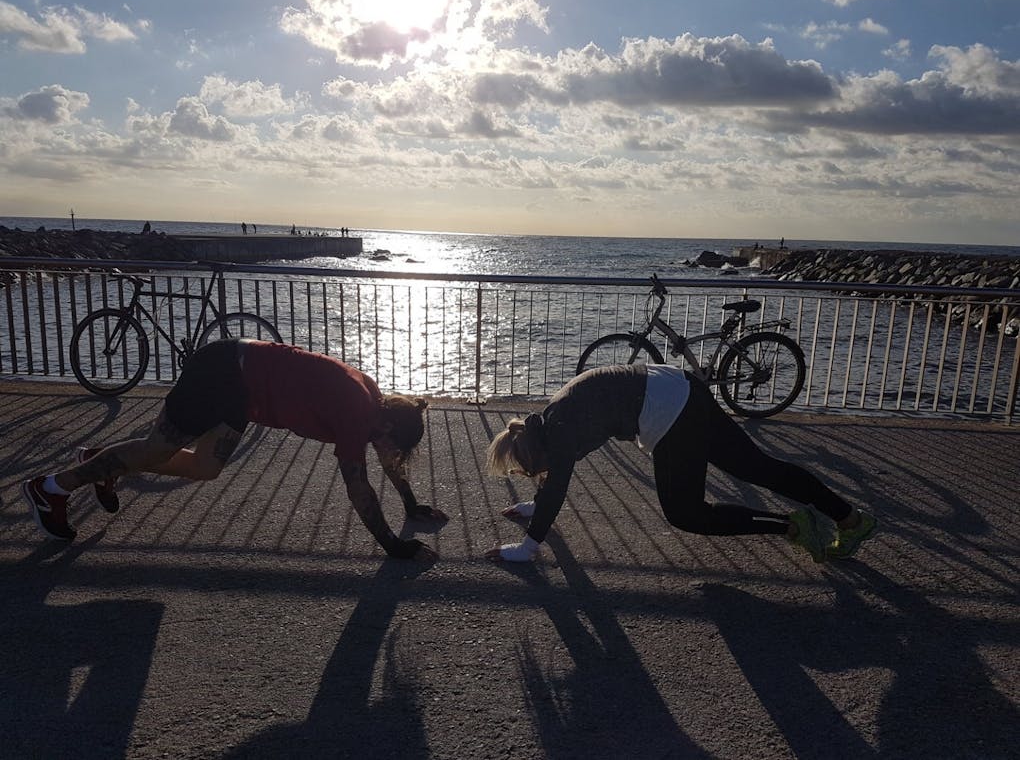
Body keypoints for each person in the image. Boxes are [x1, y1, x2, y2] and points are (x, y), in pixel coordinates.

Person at [21, 339, 446, 559]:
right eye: (393, 444)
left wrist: (410, 505)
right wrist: (393, 546)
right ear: (387, 425)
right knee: (156, 449)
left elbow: (387, 460)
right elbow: (359, 488)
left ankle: (103, 461)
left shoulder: (374, 405)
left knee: (206, 467)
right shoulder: (357, 413)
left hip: (242, 389)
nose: (389, 453)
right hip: (222, 372)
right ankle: (52, 487)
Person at [485, 365, 876, 563]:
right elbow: (555, 477)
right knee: (758, 467)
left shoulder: (562, 427)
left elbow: (558, 484)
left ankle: (792, 526)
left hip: (670, 415)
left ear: (535, 453)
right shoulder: (553, 417)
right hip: (682, 388)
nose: (532, 476)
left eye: (527, 470)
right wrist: (536, 506)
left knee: (685, 513)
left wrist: (528, 546)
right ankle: (850, 520)